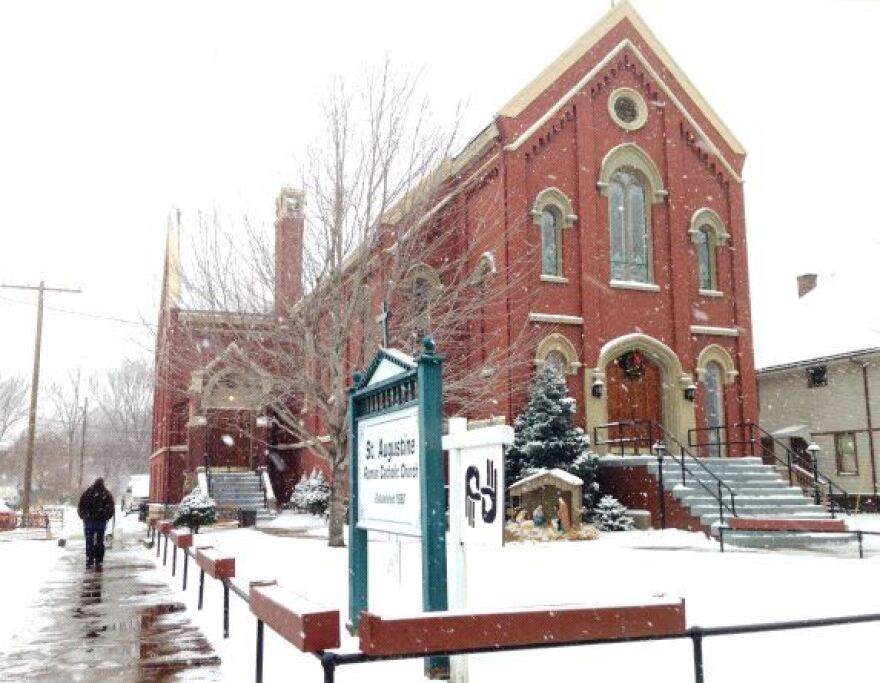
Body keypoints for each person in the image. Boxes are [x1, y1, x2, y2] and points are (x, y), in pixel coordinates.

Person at [77, 478, 115, 570]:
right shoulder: (106, 494)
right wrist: (106, 516)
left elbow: (81, 505)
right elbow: (111, 508)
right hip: (101, 522)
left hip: (89, 522)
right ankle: (99, 561)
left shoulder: (88, 493)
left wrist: (84, 516)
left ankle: (89, 560)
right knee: (100, 542)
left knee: (89, 542)